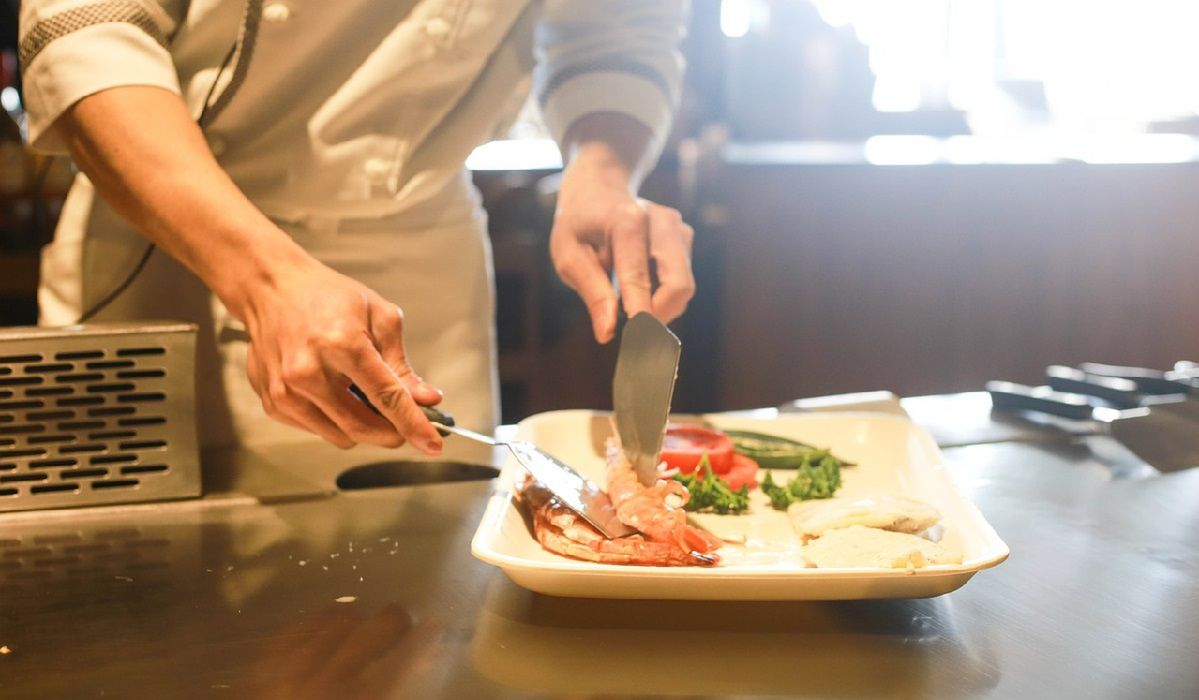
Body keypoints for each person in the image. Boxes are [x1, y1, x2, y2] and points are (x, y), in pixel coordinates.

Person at [18, 1, 695, 454]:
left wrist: (602, 172)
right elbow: (89, 32)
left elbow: (616, 31)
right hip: (176, 239)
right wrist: (263, 280)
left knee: (433, 617)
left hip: (423, 264)